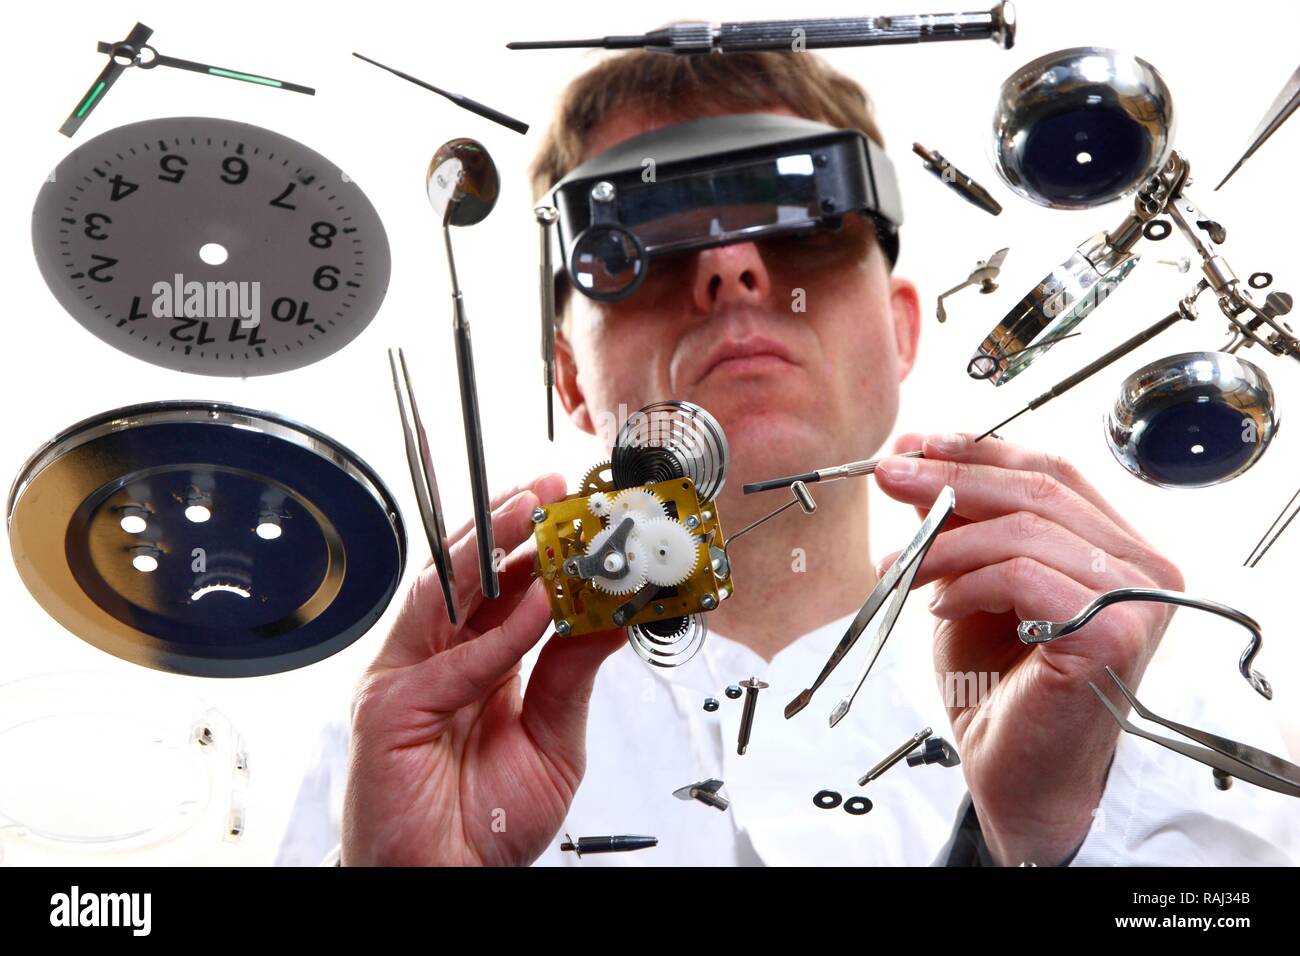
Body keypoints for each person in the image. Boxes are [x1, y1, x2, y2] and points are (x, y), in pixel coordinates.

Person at [277, 50, 1298, 867]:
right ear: (569, 378)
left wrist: (1041, 842)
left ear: (902, 333)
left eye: (807, 220)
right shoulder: (416, 739)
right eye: (642, 231)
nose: (731, 265)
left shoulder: (1135, 692)